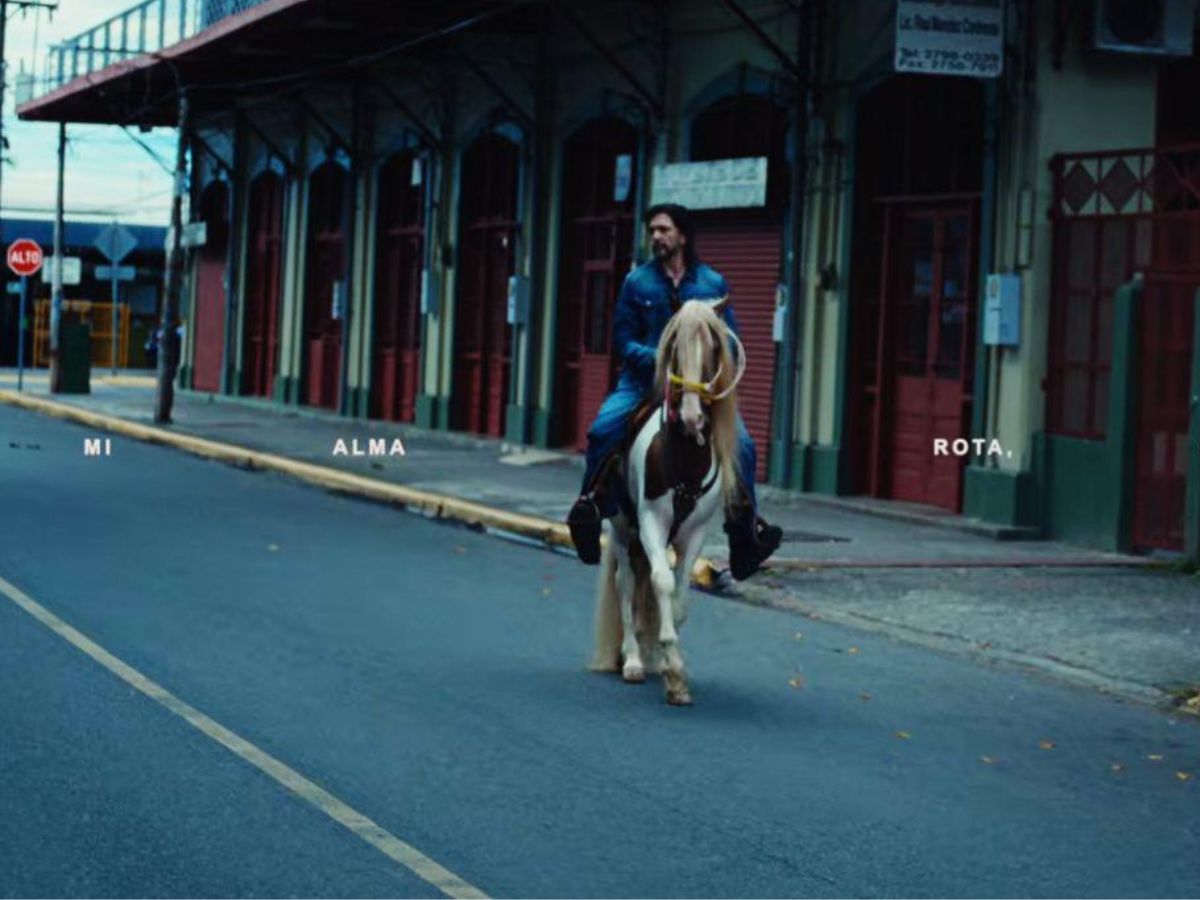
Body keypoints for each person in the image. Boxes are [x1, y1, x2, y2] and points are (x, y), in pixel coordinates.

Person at [566, 203, 783, 580]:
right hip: (644, 382)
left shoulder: (713, 284)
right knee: (603, 429)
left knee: (744, 446)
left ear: (682, 235)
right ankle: (589, 508)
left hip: (699, 388)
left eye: (664, 230)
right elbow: (623, 339)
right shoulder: (638, 283)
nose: (656, 237)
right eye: (652, 230)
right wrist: (663, 360)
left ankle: (744, 534)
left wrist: (704, 370)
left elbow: (729, 343)